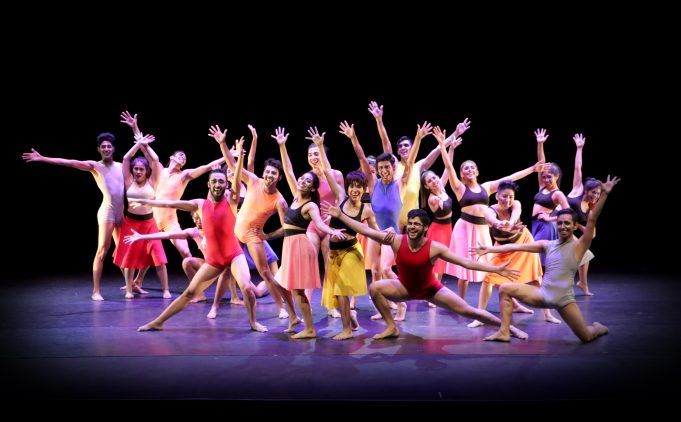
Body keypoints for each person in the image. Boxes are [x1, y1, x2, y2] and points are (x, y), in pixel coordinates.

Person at [322, 205, 527, 341]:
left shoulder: (435, 247)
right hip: (404, 288)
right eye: (410, 223)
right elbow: (366, 231)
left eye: (417, 224)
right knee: (375, 288)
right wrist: (341, 215)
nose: (412, 227)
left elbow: (466, 262)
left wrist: (496, 269)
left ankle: (509, 328)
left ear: (425, 228)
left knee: (469, 311)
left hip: (431, 290)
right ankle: (391, 327)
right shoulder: (396, 240)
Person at [137, 138, 267, 333]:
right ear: (208, 184)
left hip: (234, 255)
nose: (217, 184)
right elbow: (169, 203)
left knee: (247, 288)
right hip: (214, 260)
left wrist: (236, 155)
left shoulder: (231, 201)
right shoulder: (199, 204)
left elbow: (237, 175)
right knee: (189, 292)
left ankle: (253, 322)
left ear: (226, 184)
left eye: (221, 182)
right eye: (214, 181)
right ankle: (158, 322)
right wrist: (145, 202)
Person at [472, 176, 620, 343]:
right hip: (542, 295)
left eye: (567, 224)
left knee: (585, 336)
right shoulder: (547, 244)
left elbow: (592, 219)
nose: (563, 226)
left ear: (574, 226)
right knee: (505, 288)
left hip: (564, 300)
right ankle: (504, 332)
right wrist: (489, 249)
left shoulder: (579, 246)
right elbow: (514, 247)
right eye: (560, 223)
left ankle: (598, 328)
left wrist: (605, 194)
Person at [435, 126, 543, 302]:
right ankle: (462, 302)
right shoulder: (459, 188)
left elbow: (511, 178)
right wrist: (442, 145)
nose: (470, 170)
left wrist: (532, 169)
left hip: (482, 229)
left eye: (472, 167)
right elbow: (448, 166)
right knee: (465, 269)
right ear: (461, 174)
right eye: (466, 168)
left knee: (492, 267)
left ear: (477, 171)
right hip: (464, 228)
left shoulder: (486, 187)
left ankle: (513, 302)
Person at [119, 111, 224, 288]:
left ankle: (196, 287)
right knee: (148, 252)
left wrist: (228, 155)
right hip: (152, 218)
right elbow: (143, 146)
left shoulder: (184, 175)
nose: (183, 158)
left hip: (170, 221)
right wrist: (134, 126)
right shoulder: (159, 170)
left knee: (185, 252)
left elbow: (206, 167)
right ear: (172, 158)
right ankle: (137, 281)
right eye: (180, 155)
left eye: (185, 158)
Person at [22, 132, 124, 301]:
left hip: (121, 213)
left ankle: (131, 284)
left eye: (108, 146)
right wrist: (43, 158)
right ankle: (96, 291)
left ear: (113, 149)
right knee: (102, 250)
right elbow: (68, 162)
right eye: (103, 147)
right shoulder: (94, 166)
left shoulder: (121, 166)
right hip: (108, 211)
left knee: (123, 251)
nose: (106, 149)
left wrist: (135, 128)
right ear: (99, 149)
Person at [270, 127, 346, 339]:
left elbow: (341, 197)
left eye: (317, 153)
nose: (313, 157)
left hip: (327, 222)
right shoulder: (304, 182)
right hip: (310, 227)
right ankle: (307, 307)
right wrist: (282, 146)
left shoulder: (333, 175)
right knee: (303, 273)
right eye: (310, 154)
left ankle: (332, 305)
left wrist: (334, 221)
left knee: (330, 266)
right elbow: (288, 171)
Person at [209, 125, 291, 320]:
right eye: (268, 172)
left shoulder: (280, 201)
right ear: (264, 173)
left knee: (265, 272)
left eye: (274, 173)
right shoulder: (253, 181)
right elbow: (232, 165)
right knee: (225, 270)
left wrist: (267, 236)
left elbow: (286, 227)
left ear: (279, 177)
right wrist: (222, 144)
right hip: (236, 232)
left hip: (253, 235)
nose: (269, 175)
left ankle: (282, 308)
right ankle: (214, 307)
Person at [312, 130, 379, 340]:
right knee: (337, 293)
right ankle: (352, 319)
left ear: (364, 189)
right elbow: (327, 171)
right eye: (352, 186)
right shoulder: (340, 196)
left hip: (351, 251)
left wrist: (387, 235)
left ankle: (347, 330)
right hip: (334, 253)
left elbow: (374, 231)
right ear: (347, 188)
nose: (354, 190)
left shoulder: (366, 210)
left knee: (341, 290)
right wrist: (320, 146)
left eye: (359, 187)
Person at [468, 180, 561, 327]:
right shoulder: (489, 211)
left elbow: (515, 215)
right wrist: (500, 224)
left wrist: (510, 223)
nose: (508, 200)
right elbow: (493, 221)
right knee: (488, 279)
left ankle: (548, 314)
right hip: (502, 248)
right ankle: (480, 317)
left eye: (511, 196)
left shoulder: (516, 204)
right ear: (497, 196)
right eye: (504, 196)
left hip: (523, 242)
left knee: (536, 278)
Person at [123, 210, 245, 314]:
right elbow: (168, 235)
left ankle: (235, 297)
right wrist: (142, 236)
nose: (197, 221)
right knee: (187, 261)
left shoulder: (215, 229)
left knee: (235, 272)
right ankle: (199, 294)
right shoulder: (194, 232)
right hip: (209, 267)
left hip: (224, 267)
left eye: (200, 218)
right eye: (195, 218)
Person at [113, 133, 170, 299]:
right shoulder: (128, 181)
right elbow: (125, 159)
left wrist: (146, 145)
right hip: (131, 223)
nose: (138, 171)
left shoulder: (153, 182)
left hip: (149, 224)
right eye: (136, 169)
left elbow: (156, 159)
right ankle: (129, 290)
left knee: (159, 257)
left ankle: (166, 290)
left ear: (147, 171)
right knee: (129, 258)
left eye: (141, 169)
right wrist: (138, 144)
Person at [566, 133, 601, 296]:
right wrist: (579, 148)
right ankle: (578, 284)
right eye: (593, 192)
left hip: (567, 231)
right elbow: (577, 168)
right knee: (582, 255)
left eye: (598, 193)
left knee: (586, 255)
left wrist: (580, 225)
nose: (595, 195)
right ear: (586, 190)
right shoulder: (577, 190)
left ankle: (582, 283)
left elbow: (592, 234)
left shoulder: (591, 208)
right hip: (555, 224)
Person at [532, 128, 571, 265]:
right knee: (536, 258)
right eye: (544, 177)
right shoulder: (542, 187)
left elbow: (569, 214)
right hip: (536, 224)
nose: (546, 179)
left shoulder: (557, 193)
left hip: (546, 226)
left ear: (557, 176)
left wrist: (550, 218)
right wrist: (540, 143)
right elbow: (541, 165)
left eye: (549, 177)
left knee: (538, 258)